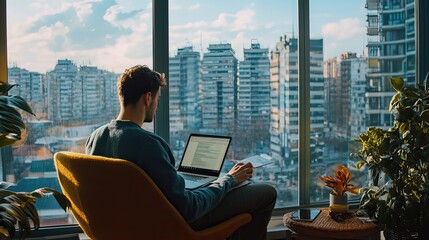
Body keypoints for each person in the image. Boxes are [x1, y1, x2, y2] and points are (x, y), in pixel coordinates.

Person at [85, 65, 277, 240]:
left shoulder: (95, 138)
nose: (156, 105)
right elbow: (188, 208)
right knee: (266, 193)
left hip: (122, 228)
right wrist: (229, 180)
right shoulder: (149, 144)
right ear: (148, 98)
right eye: (157, 99)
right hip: (169, 225)